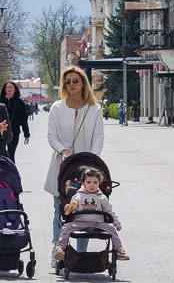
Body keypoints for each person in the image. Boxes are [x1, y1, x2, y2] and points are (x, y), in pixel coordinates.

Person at [45, 66, 104, 256]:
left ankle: (81, 254)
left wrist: (93, 159)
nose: (71, 84)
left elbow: (98, 136)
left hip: (87, 168)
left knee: (84, 211)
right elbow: (51, 135)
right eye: (67, 81)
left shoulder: (94, 109)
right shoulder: (57, 107)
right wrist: (63, 150)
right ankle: (58, 251)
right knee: (59, 210)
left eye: (75, 81)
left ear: (83, 83)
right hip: (62, 165)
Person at [53, 166, 128, 261]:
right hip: (80, 223)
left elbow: (109, 211)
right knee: (66, 227)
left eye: (95, 182)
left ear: (99, 183)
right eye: (89, 182)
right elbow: (73, 209)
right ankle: (60, 248)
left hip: (97, 223)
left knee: (111, 227)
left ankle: (119, 249)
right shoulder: (78, 196)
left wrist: (116, 223)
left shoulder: (102, 198)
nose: (92, 185)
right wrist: (69, 208)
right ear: (83, 183)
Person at [0, 80, 30, 163]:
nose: (9, 89)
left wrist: (26, 134)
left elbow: (24, 120)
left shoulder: (20, 102)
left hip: (14, 132)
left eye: (11, 87)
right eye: (7, 87)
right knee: (1, 154)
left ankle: (11, 174)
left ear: (15, 90)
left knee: (11, 154)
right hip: (0, 132)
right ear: (4, 89)